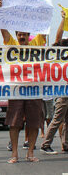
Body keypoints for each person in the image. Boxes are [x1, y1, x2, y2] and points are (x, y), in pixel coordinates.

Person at [0, 0, 45, 163]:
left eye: (25, 35)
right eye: (20, 35)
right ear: (17, 36)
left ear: (29, 36)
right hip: (16, 90)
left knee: (34, 123)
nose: (22, 37)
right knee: (15, 123)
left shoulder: (37, 43)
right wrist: (1, 11)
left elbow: (44, 29)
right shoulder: (11, 44)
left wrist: (42, 7)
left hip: (34, 90)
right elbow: (3, 30)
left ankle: (30, 153)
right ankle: (15, 154)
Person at [41, 11, 68, 154]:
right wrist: (63, 20)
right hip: (62, 92)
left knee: (66, 120)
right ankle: (46, 144)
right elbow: (58, 38)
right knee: (58, 118)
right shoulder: (60, 53)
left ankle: (66, 143)